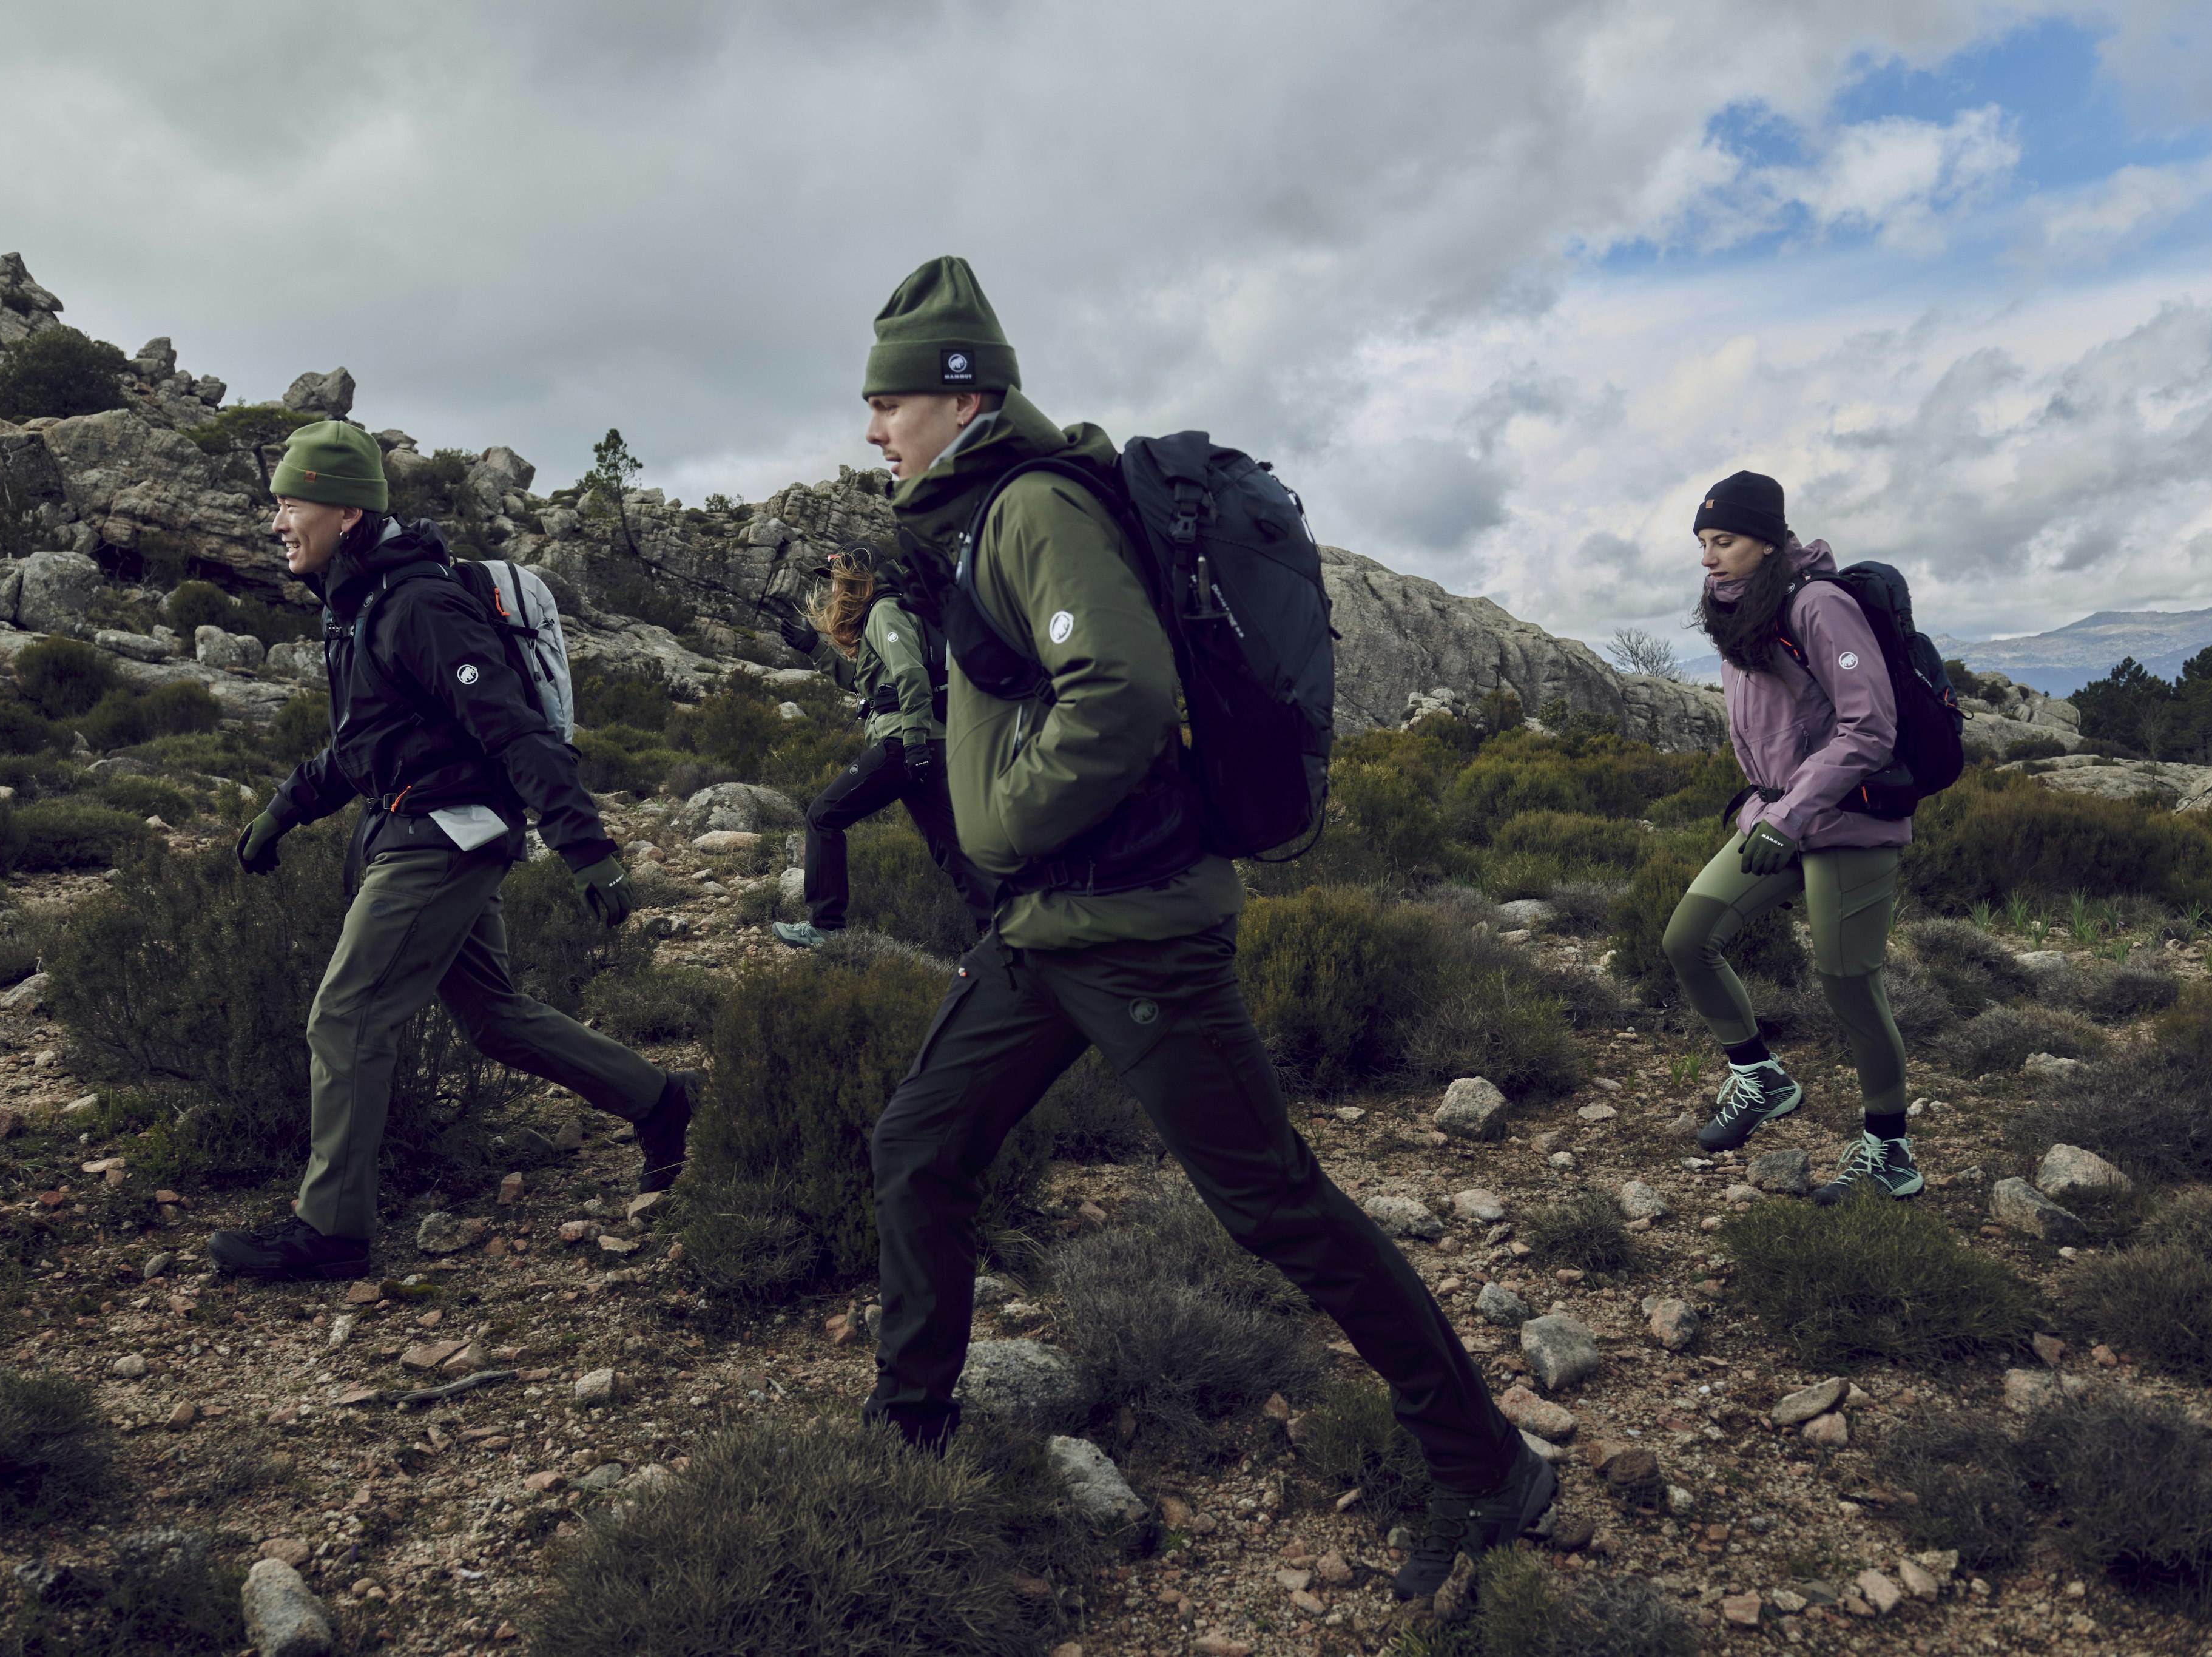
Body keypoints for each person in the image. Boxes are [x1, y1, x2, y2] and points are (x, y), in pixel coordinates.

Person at [853, 256, 1554, 1600]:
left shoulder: (1034, 508)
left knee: (1273, 1204)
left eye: (887, 399)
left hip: (1130, 933)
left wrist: (998, 824)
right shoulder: (977, 521)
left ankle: (1487, 1466)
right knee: (917, 1146)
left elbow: (1119, 687)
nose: (871, 426)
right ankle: (911, 1425)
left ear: (962, 395)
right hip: (1049, 933)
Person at [204, 420, 695, 1283]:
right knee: (494, 1017)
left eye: (291, 504)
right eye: (275, 504)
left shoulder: (418, 604)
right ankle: (662, 1101)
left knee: (348, 1016)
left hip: (441, 839)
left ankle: (332, 1232)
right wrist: (282, 813)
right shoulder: (357, 606)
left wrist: (586, 848)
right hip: (416, 828)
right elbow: (363, 744)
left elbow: (514, 728)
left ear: (347, 510)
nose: (277, 522)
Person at [1665, 470, 1920, 1204]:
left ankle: (1889, 1151)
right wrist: (1768, 808)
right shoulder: (1736, 611)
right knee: (1688, 939)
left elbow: (1868, 728)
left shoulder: (1817, 605)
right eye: (1703, 543)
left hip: (1850, 815)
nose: (1709, 558)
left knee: (1846, 980)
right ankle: (1761, 1079)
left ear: (1769, 541)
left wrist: (1789, 813)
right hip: (1777, 816)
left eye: (1725, 541)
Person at [772, 541, 992, 948]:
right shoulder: (891, 611)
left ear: (861, 579)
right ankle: (1003, 931)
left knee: (823, 816)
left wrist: (912, 745)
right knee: (953, 848)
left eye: (840, 579)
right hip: (929, 742)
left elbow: (910, 674)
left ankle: (826, 925)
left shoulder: (884, 610)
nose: (835, 589)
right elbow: (867, 682)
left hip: (905, 741)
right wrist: (814, 648)